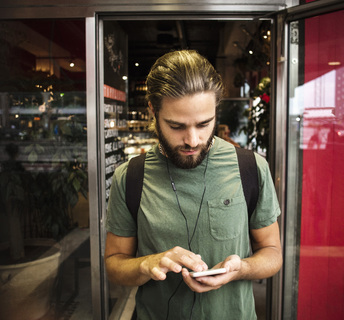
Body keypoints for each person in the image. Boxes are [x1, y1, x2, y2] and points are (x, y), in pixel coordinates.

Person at [104, 50, 282, 320]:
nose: (192, 140)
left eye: (204, 124)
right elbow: (114, 265)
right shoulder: (130, 177)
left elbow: (272, 252)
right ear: (153, 110)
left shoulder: (251, 168)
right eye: (176, 126)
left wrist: (241, 268)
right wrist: (146, 264)